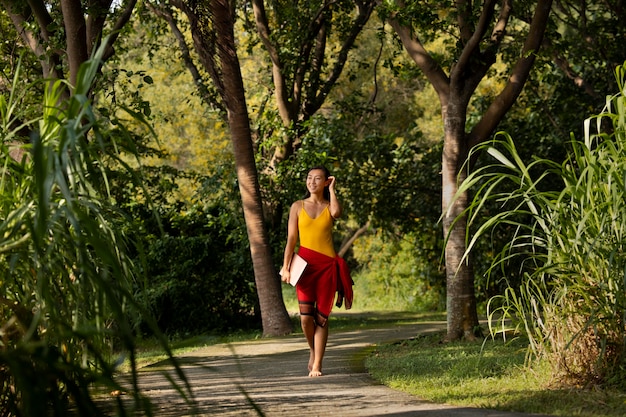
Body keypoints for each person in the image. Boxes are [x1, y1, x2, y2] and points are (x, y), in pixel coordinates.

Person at [281, 166, 353, 377]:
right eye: (309, 178)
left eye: (318, 178)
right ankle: (313, 350)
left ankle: (317, 365)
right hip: (304, 267)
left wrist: (333, 189)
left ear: (325, 182)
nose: (312, 182)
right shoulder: (297, 206)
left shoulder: (330, 206)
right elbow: (291, 240)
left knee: (321, 318)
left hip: (326, 267)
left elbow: (337, 213)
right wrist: (286, 267)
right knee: (305, 319)